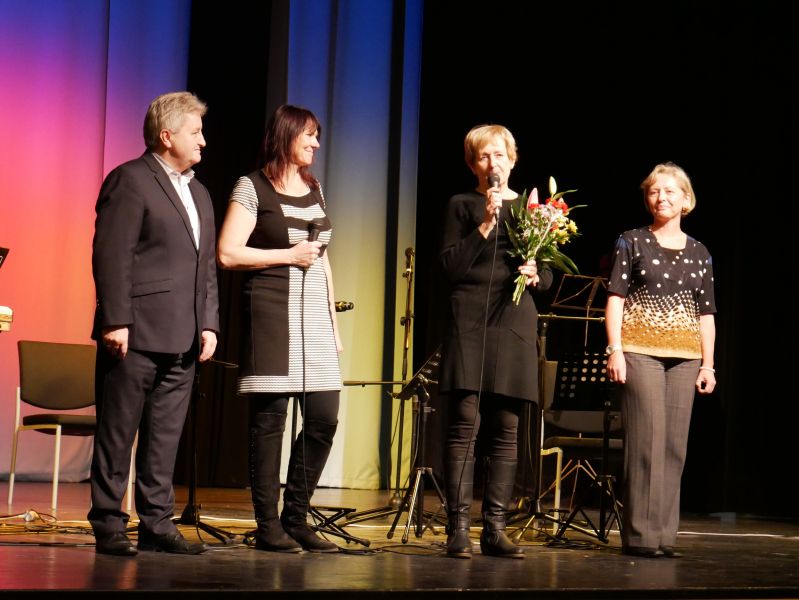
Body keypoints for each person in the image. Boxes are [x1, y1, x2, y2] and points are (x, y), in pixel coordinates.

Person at [89, 91, 220, 556]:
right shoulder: (130, 180)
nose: (203, 141)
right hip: (136, 332)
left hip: (184, 335)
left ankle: (157, 523)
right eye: (195, 132)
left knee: (164, 437)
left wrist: (209, 323)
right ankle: (108, 522)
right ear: (167, 136)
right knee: (118, 432)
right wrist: (115, 320)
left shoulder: (199, 192)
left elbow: (206, 266)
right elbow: (112, 255)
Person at [216, 104, 342, 553]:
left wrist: (333, 323)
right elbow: (228, 253)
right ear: (286, 134)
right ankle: (268, 525)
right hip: (272, 315)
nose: (316, 143)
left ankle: (297, 517)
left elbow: (322, 259)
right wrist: (287, 256)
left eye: (317, 135)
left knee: (323, 419)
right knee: (269, 424)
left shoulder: (314, 188)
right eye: (308, 134)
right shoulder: (252, 186)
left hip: (315, 321)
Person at [438, 124, 553, 559]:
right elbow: (450, 267)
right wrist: (486, 224)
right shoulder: (462, 205)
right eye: (484, 156)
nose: (493, 163)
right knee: (465, 423)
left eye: (499, 155)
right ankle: (457, 529)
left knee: (506, 427)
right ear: (473, 164)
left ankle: (495, 528)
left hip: (514, 320)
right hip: (469, 320)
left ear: (513, 159)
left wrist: (537, 274)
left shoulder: (532, 209)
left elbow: (549, 274)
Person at [605, 161, 716, 559]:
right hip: (640, 353)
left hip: (685, 358)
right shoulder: (631, 241)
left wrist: (708, 364)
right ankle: (640, 536)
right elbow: (615, 299)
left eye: (669, 191)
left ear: (686, 200)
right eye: (654, 191)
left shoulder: (700, 252)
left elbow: (706, 313)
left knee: (673, 447)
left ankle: (664, 535)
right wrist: (616, 350)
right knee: (645, 443)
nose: (661, 198)